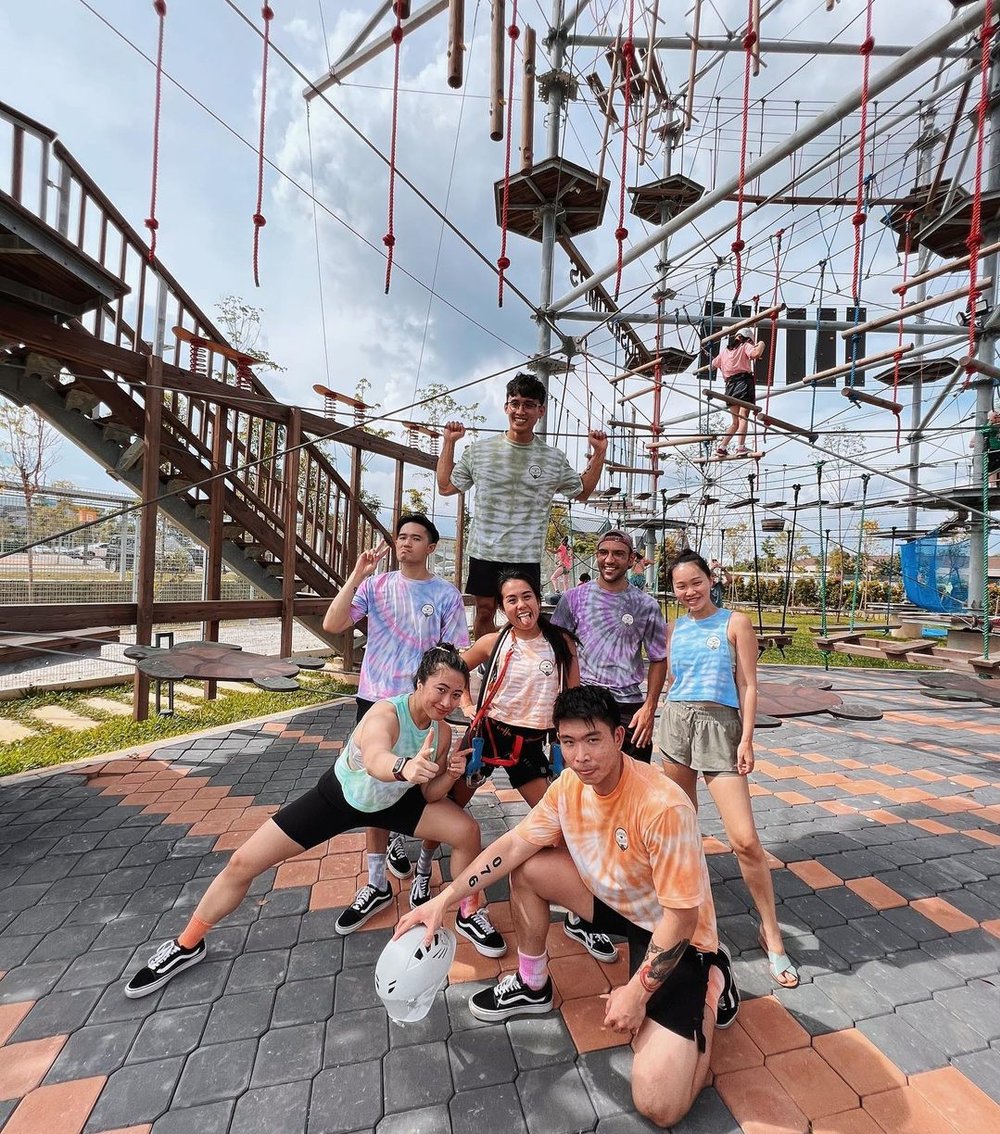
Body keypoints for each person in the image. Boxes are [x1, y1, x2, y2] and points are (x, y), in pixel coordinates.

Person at [397, 686, 737, 1130]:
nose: (580, 756)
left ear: (619, 737)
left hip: (676, 933)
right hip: (619, 904)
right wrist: (445, 899)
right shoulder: (568, 786)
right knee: (530, 866)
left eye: (593, 740)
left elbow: (682, 918)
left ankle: (712, 984)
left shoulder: (663, 805)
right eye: (569, 742)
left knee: (658, 1103)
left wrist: (636, 993)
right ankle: (531, 983)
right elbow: (515, 844)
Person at [124, 646, 504, 999]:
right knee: (243, 862)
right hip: (339, 798)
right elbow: (375, 756)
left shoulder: (441, 732)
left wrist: (449, 773)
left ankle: (469, 910)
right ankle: (187, 944)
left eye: (457, 695)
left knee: (466, 830)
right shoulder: (386, 712)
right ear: (419, 683)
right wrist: (404, 767)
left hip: (394, 804)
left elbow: (430, 795)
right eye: (441, 689)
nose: (447, 701)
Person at [406, 571, 607, 957]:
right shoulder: (494, 641)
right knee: (449, 807)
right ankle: (425, 865)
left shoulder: (560, 643)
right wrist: (465, 705)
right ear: (502, 607)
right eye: (511, 599)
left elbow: (572, 697)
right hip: (487, 735)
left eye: (526, 596)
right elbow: (453, 672)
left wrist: (574, 746)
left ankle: (580, 914)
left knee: (564, 823)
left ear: (537, 599)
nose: (521, 605)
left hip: (532, 744)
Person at [320, 513, 470, 933]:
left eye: (415, 538)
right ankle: (375, 881)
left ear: (432, 547)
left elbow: (457, 652)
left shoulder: (445, 594)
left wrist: (463, 698)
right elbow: (333, 624)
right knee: (373, 781)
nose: (405, 544)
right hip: (376, 700)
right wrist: (357, 573)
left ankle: (415, 854)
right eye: (400, 537)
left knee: (422, 777)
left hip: (423, 704)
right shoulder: (376, 585)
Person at [657, 550, 798, 989]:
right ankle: (686, 922)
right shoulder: (675, 628)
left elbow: (749, 683)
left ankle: (771, 932)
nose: (689, 592)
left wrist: (747, 737)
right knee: (681, 832)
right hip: (677, 724)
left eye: (695, 582)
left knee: (745, 839)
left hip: (722, 728)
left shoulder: (735, 622)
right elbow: (671, 682)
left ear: (709, 579)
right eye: (681, 586)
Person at [437, 372, 608, 639]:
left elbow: (582, 492)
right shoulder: (479, 451)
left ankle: (514, 662)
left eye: (528, 404)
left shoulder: (552, 458)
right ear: (506, 407)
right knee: (484, 611)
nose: (520, 410)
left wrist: (599, 453)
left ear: (540, 410)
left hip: (524, 554)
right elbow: (446, 487)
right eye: (515, 403)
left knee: (525, 615)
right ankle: (488, 666)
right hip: (485, 550)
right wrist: (448, 442)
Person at [553, 530, 667, 765]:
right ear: (597, 555)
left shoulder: (646, 605)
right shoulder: (573, 598)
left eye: (618, 554)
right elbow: (555, 649)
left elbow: (659, 658)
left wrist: (649, 707)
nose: (609, 559)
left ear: (631, 558)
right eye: (603, 552)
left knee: (634, 780)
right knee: (578, 779)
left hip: (628, 706)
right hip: (585, 699)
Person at [711, 329, 765, 457]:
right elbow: (756, 353)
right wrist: (762, 343)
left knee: (735, 422)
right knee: (743, 417)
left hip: (729, 387)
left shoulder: (725, 351)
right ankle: (740, 447)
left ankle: (722, 447)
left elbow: (713, 364)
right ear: (748, 339)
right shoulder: (746, 346)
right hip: (743, 383)